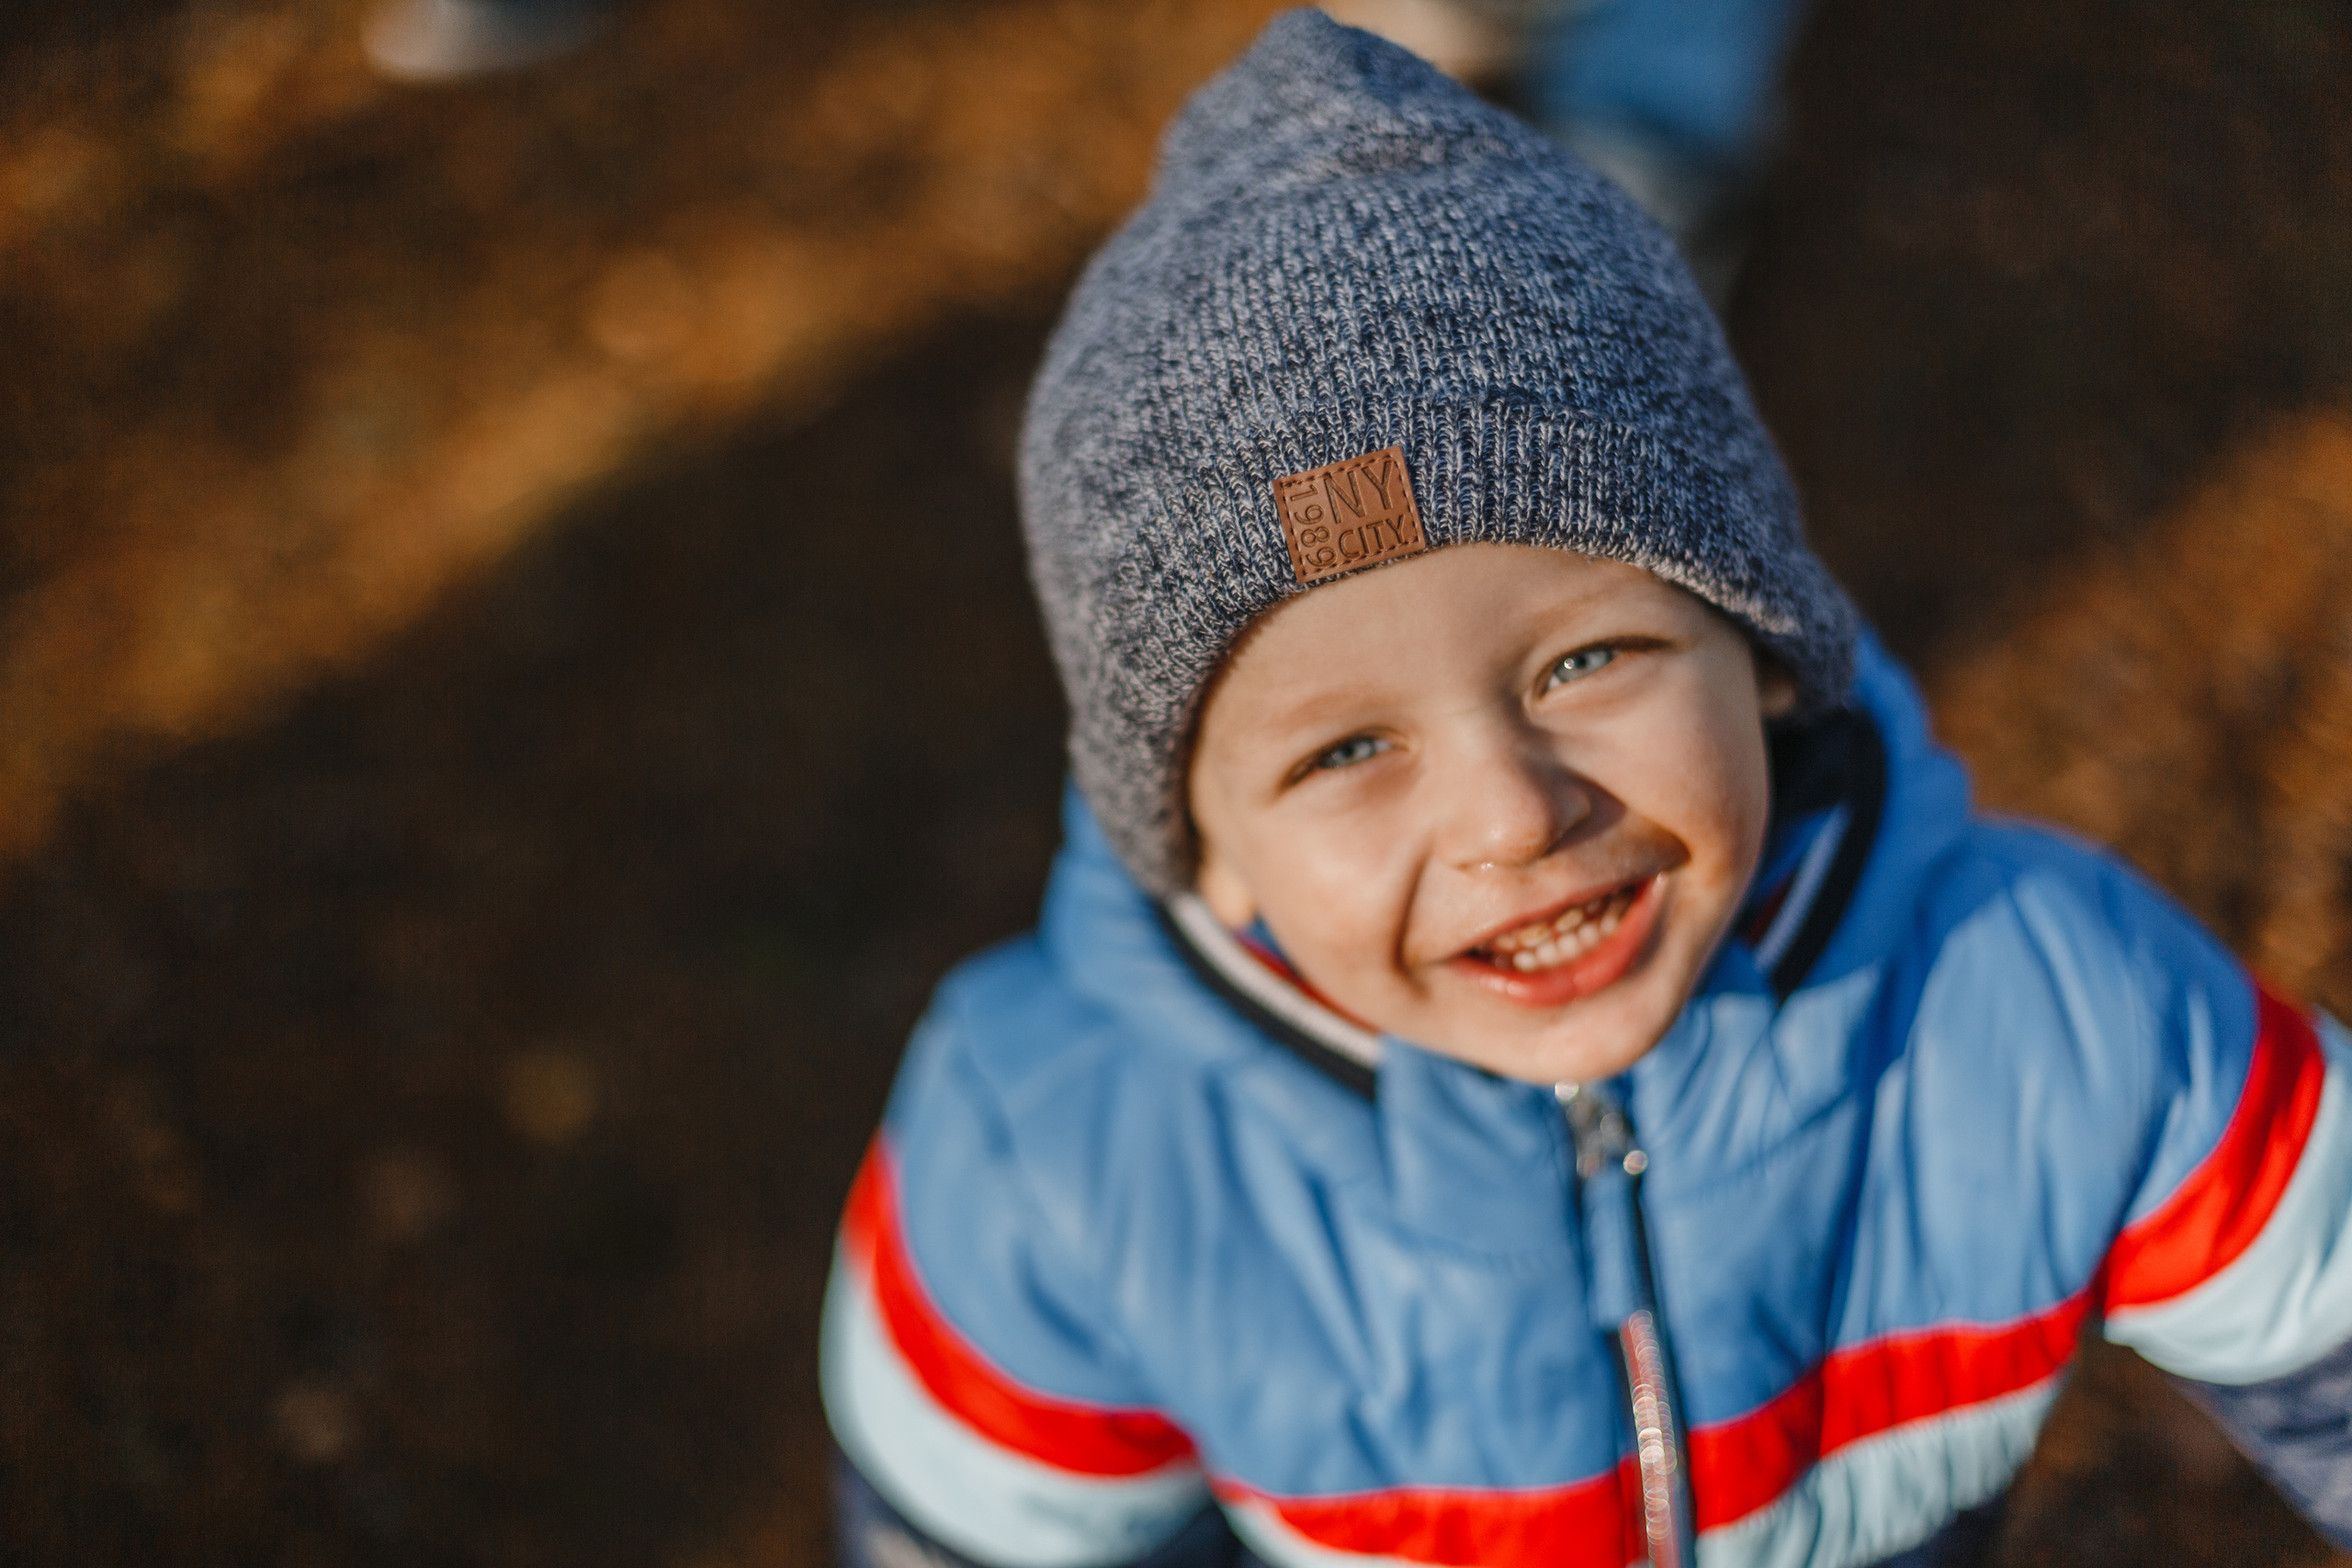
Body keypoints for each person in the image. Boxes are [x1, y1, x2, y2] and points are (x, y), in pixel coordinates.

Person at [820, 13, 2352, 1567]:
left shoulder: (2049, 1009)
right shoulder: (1054, 1162)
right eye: (1345, 750)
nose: (1512, 814)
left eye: (1586, 661)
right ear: (1202, 845)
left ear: (1762, 650)